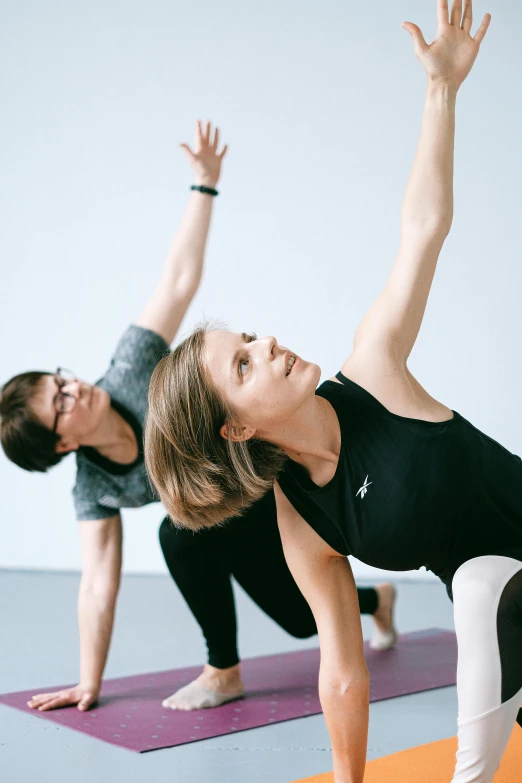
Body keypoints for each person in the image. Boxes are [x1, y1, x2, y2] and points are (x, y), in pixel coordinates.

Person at [145, 4, 519, 782]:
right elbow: (343, 668)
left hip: (503, 597)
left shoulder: (373, 367)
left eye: (248, 339)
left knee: (483, 586)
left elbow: (424, 226)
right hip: (508, 613)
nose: (267, 344)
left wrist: (441, 92)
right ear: (234, 432)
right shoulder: (303, 522)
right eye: (243, 366)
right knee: (482, 586)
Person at [0, 123, 396, 715]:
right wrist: (89, 682)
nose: (73, 389)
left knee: (175, 532)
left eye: (61, 380)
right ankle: (378, 600)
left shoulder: (130, 368)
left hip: (264, 474)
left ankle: (222, 672)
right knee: (295, 620)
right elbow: (96, 583)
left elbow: (179, 281)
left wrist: (203, 186)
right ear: (60, 446)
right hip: (223, 513)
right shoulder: (96, 487)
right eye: (59, 404)